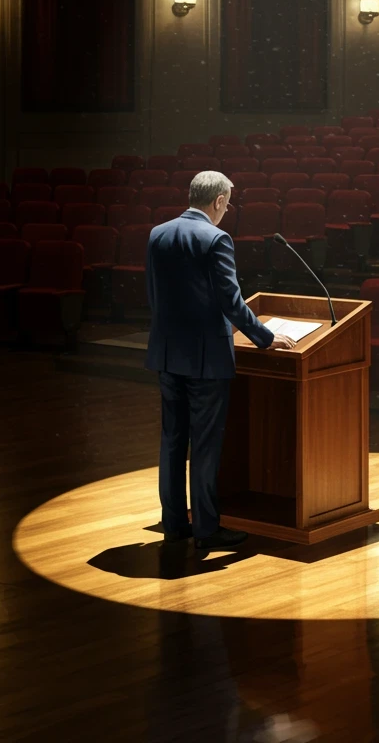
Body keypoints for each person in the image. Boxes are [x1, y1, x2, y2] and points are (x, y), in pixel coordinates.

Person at [145, 170, 295, 549]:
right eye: (228, 202)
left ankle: (175, 522)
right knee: (206, 446)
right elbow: (230, 302)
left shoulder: (158, 234)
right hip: (206, 358)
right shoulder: (216, 238)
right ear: (218, 202)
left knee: (172, 442)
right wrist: (265, 337)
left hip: (167, 353)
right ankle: (207, 530)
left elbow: (154, 295)